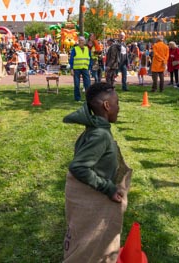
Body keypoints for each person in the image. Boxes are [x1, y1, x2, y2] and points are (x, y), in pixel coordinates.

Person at [63, 82, 125, 262]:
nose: (118, 107)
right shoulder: (100, 135)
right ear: (106, 106)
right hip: (93, 198)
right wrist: (109, 188)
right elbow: (78, 166)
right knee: (91, 245)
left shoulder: (96, 129)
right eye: (117, 102)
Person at [69, 36, 91, 101]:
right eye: (80, 41)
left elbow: (89, 59)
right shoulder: (75, 49)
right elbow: (71, 59)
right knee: (77, 84)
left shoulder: (87, 49)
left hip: (85, 68)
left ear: (84, 42)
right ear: (78, 42)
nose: (81, 42)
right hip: (76, 69)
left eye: (82, 41)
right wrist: (71, 69)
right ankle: (77, 98)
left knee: (88, 84)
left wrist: (89, 69)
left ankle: (88, 98)